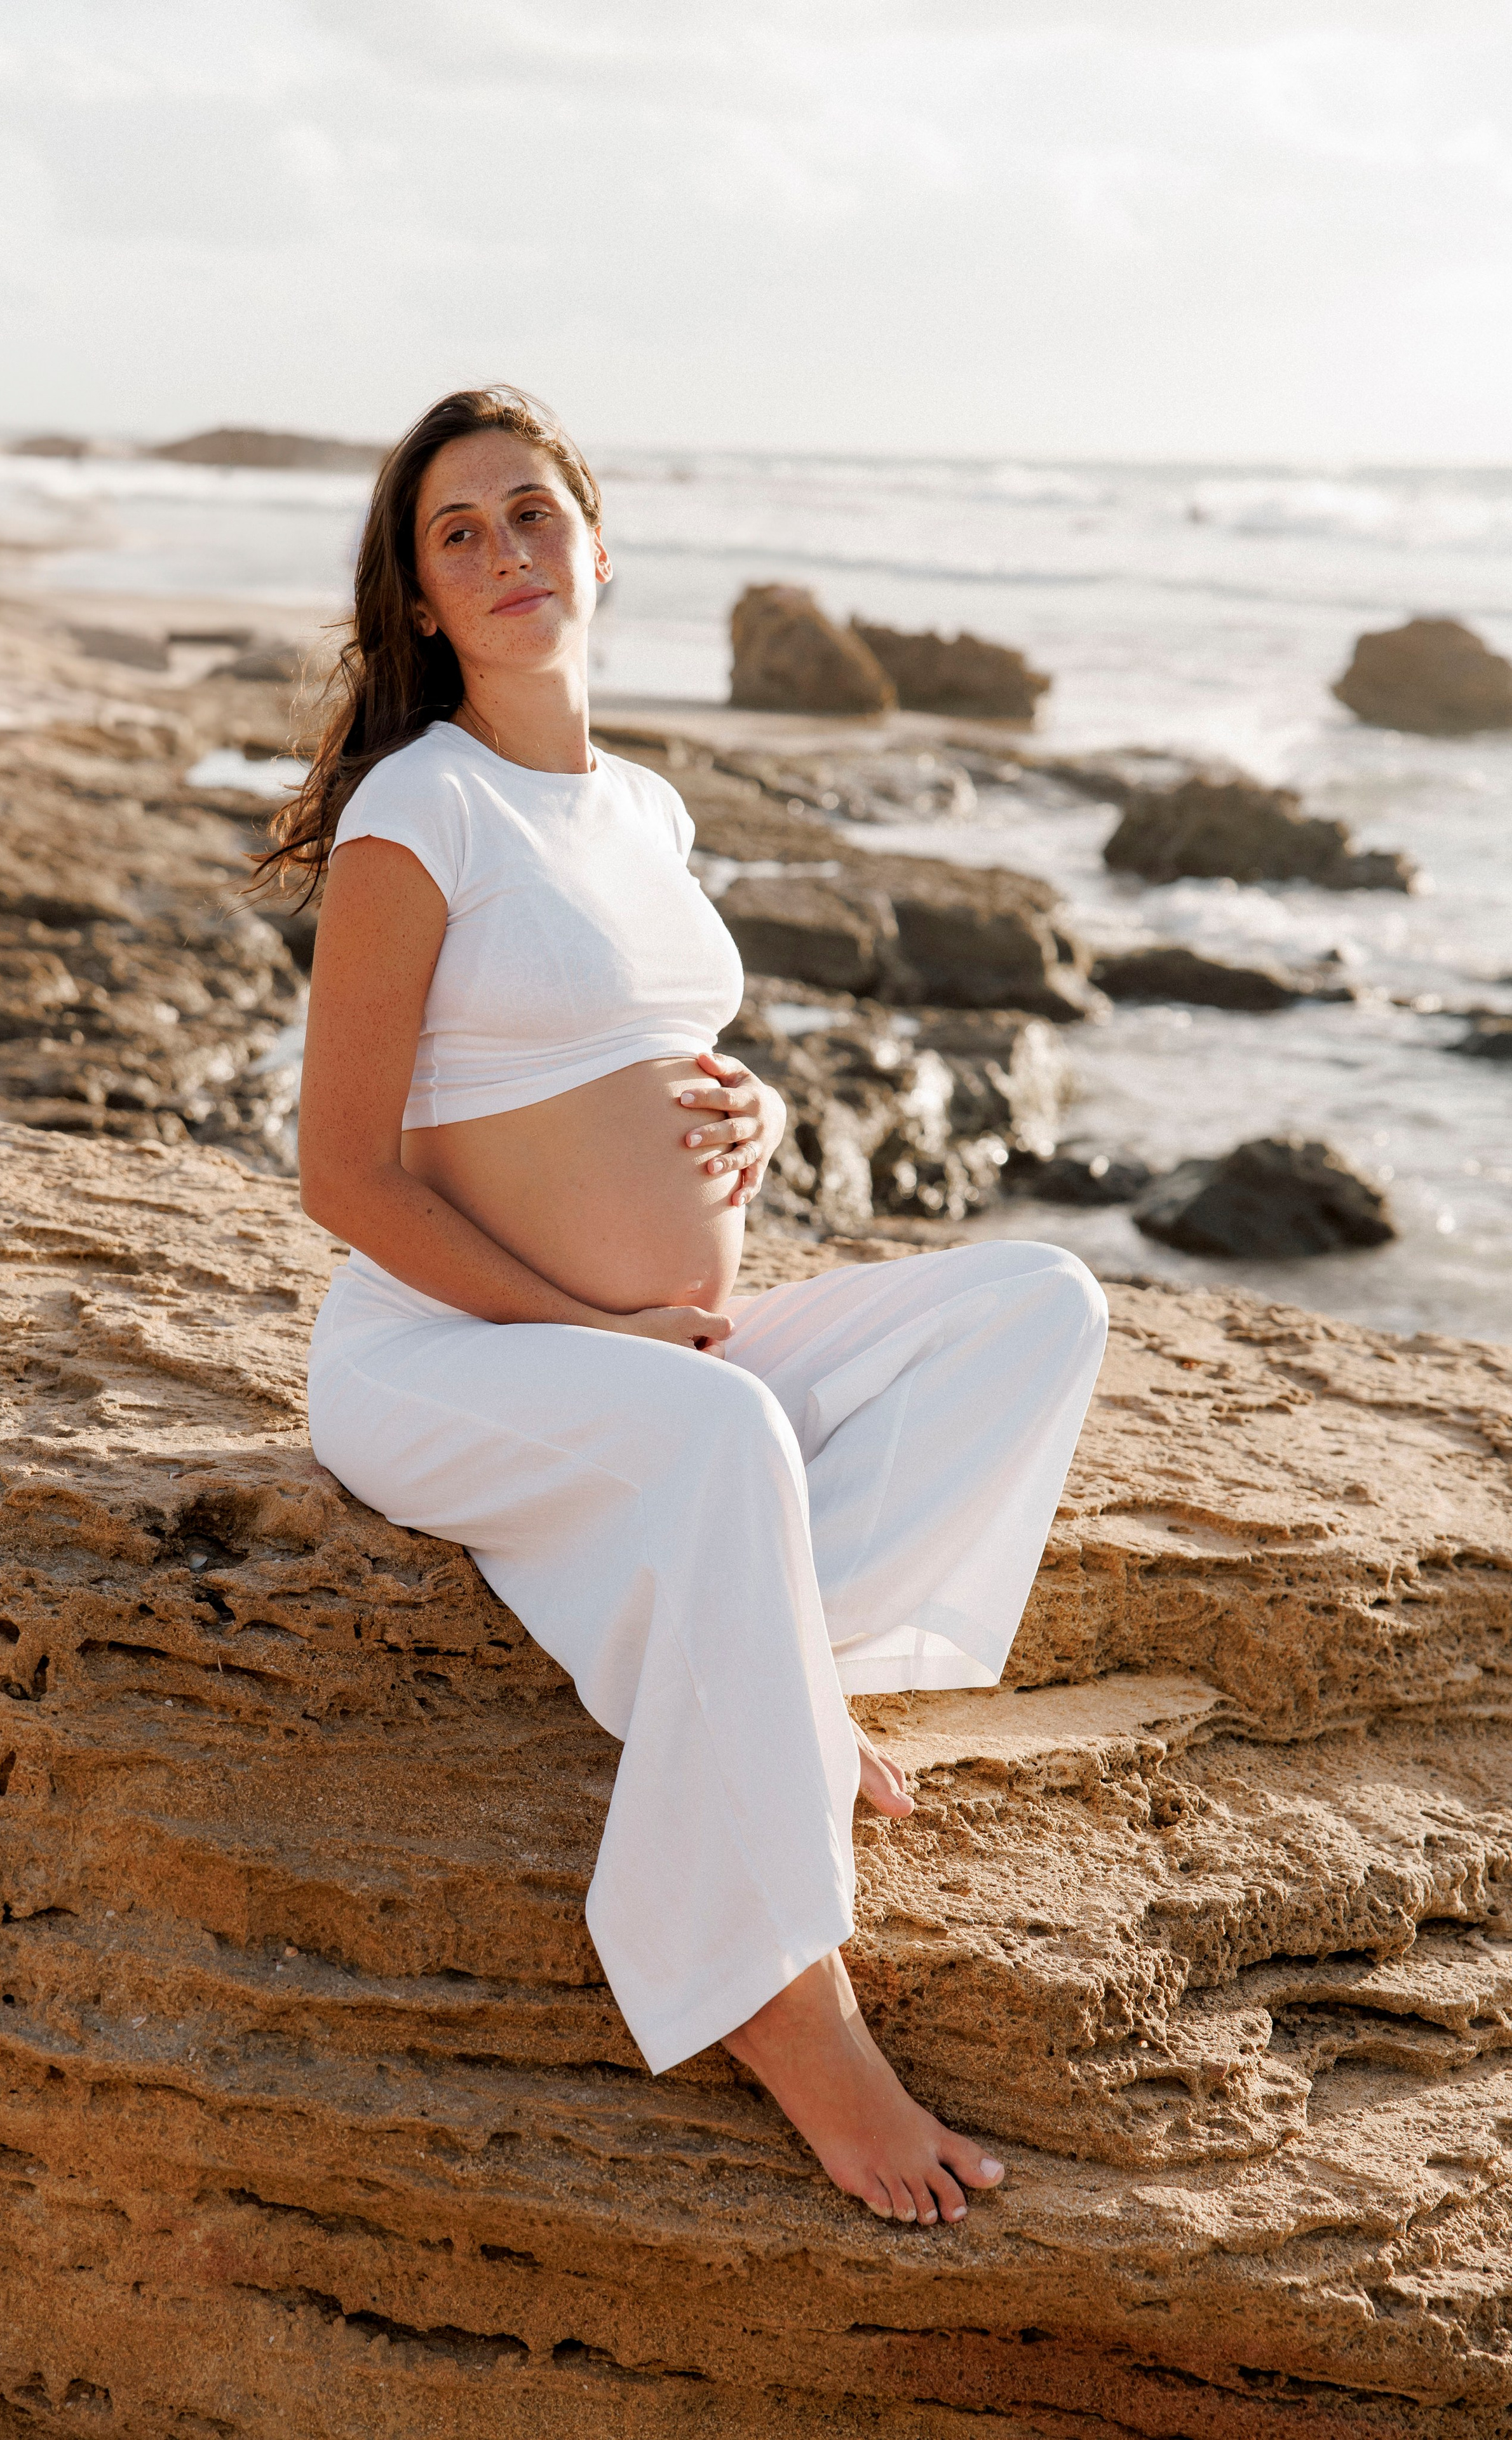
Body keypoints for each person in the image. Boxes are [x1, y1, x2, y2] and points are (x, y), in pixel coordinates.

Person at [262, 386, 1109, 2228]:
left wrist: (766, 1107)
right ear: (416, 602)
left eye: (531, 513)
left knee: (1040, 1303)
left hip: (662, 1359)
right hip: (453, 1359)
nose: (503, 554)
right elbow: (344, 1172)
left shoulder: (638, 803)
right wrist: (587, 1332)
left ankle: (776, 1687)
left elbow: (642, 1050)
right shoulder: (421, 808)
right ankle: (778, 2000)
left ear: (598, 540)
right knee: (726, 1434)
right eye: (457, 535)